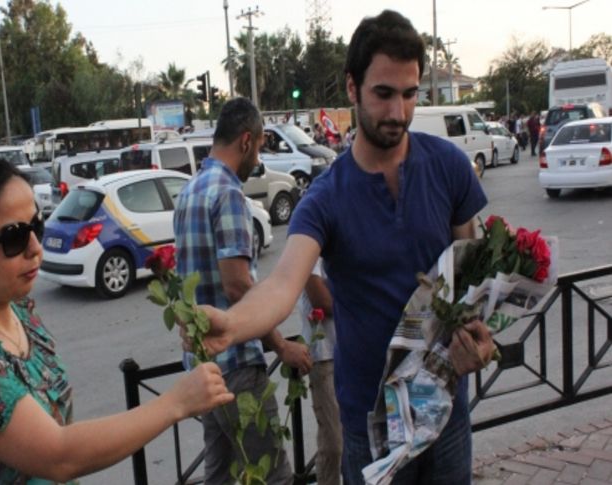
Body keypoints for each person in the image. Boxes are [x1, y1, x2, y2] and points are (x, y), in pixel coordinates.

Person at [188, 11, 496, 485]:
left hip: (446, 404)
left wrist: (481, 333)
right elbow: (284, 284)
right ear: (352, 89)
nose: (398, 112)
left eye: (410, 94)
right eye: (383, 94)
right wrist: (231, 324)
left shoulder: (450, 167)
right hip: (369, 421)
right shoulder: (325, 198)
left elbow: (470, 274)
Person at [0, 158, 233, 483]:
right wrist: (176, 403)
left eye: (36, 226)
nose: (36, 248)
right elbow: (59, 454)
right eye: (13, 237)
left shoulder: (19, 311)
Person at [173, 97, 311, 485]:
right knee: (274, 477)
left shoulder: (189, 191)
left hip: (204, 367)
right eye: (262, 144)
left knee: (218, 476)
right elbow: (238, 287)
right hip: (236, 367)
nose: (260, 155)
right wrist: (281, 345)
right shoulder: (229, 194)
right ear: (247, 141)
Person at [298, 258, 342, 485]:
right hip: (324, 354)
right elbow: (320, 297)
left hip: (352, 349)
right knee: (333, 443)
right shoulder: (311, 234)